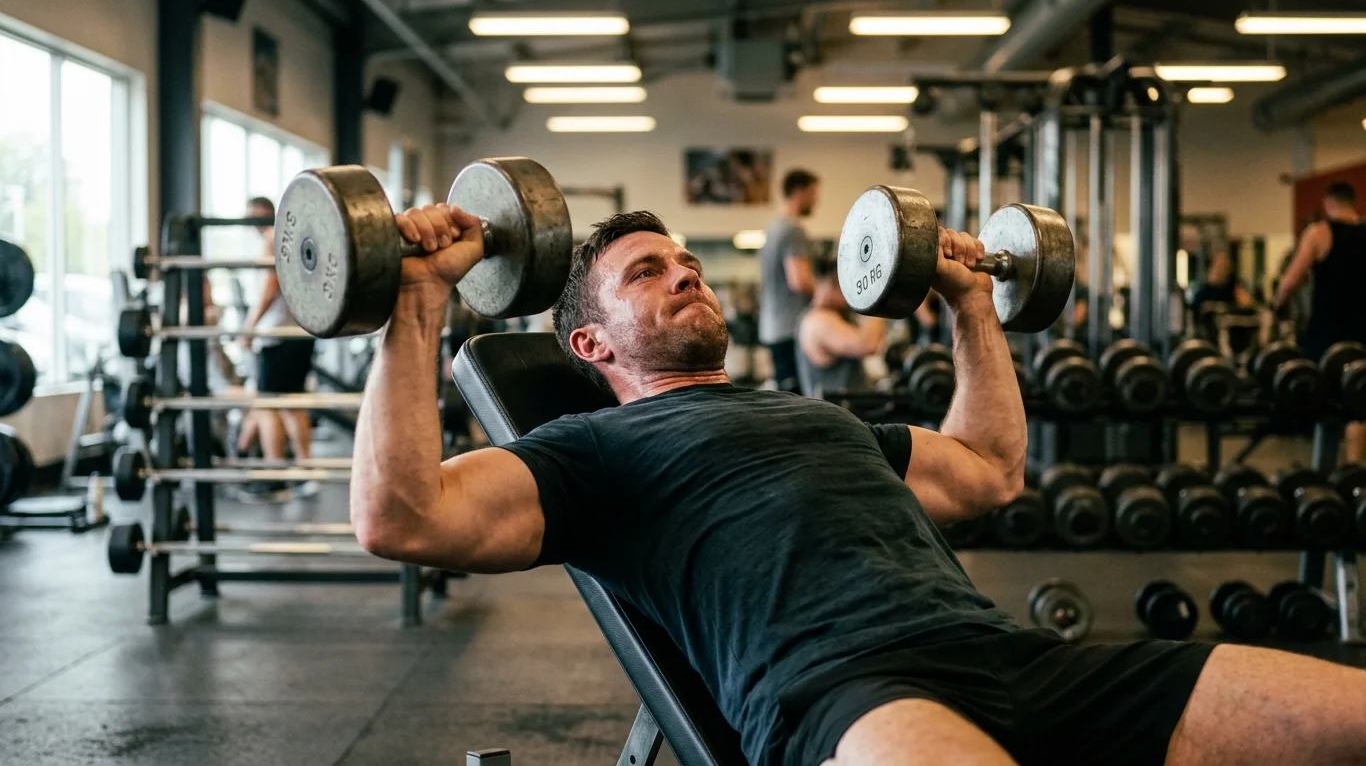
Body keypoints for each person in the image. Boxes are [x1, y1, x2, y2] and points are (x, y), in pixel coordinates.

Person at [351, 204, 1366, 766]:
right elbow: (401, 518)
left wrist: (970, 304)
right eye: (648, 272)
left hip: (1013, 657)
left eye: (689, 261)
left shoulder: (814, 413)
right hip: (848, 695)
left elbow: (987, 472)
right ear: (588, 342)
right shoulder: (590, 453)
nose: (688, 274)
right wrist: (416, 299)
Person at [1275, 181, 1366, 461]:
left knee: (1325, 402)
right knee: (1360, 400)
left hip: (1327, 332)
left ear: (1328, 203)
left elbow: (1290, 281)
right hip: (1362, 329)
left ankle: (1326, 470)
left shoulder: (1319, 232)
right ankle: (1354, 474)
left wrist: (1277, 305)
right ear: (1353, 203)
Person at [236, 196, 317, 501]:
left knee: (269, 405)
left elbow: (270, 286)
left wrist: (249, 327)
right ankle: (305, 472)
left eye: (257, 216)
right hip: (296, 333)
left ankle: (276, 478)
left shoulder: (271, 240)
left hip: (279, 335)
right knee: (289, 405)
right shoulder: (289, 239)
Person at [757, 169, 819, 392]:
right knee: (797, 397)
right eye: (813, 193)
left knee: (787, 395)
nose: (817, 201)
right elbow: (800, 280)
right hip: (791, 329)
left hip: (774, 328)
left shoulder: (774, 228)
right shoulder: (793, 229)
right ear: (798, 192)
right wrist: (827, 299)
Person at [795, 254, 885, 398]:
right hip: (834, 416)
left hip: (850, 411)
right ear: (831, 284)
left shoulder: (834, 314)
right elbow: (867, 344)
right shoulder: (819, 320)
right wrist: (879, 296)